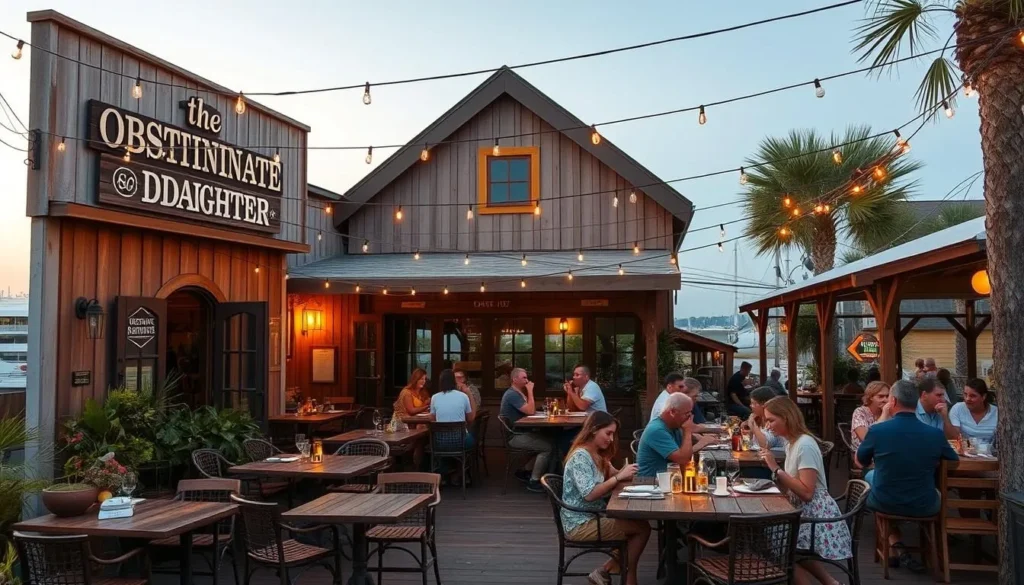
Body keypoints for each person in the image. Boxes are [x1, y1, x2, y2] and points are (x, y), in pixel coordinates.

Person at [857, 380, 959, 570]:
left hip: (885, 500)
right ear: (917, 401)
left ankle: (894, 545)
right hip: (925, 503)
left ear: (893, 401)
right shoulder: (934, 434)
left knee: (871, 478)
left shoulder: (878, 431)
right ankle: (920, 548)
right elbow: (954, 460)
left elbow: (860, 461)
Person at [760, 397, 851, 585]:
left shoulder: (805, 445)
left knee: (777, 545)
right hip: (801, 512)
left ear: (786, 417)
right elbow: (794, 484)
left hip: (816, 517)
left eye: (771, 420)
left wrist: (775, 469)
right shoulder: (791, 443)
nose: (768, 427)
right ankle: (831, 583)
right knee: (775, 541)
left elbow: (807, 493)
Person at [560, 411, 650, 585]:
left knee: (638, 525)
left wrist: (634, 473)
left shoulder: (597, 454)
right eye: (608, 433)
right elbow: (589, 494)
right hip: (579, 524)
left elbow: (616, 475)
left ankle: (607, 571)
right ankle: (617, 573)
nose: (610, 439)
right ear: (594, 430)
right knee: (641, 529)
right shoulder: (580, 457)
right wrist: (618, 477)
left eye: (613, 434)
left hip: (594, 516)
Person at [637, 393, 716, 478]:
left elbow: (687, 446)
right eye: (687, 414)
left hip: (670, 479)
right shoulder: (657, 430)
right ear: (672, 412)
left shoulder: (675, 425)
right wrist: (688, 432)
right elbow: (683, 459)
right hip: (652, 483)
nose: (689, 418)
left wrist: (697, 438)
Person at [499, 367, 553, 493]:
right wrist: (530, 391)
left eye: (526, 377)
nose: (527, 380)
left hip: (522, 432)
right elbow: (530, 411)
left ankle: (524, 471)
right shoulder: (512, 394)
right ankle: (534, 481)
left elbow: (530, 410)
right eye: (524, 377)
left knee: (550, 439)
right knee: (547, 447)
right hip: (515, 436)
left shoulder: (517, 392)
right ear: (514, 379)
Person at [430, 369, 476, 484]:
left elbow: (432, 419)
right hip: (460, 441)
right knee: (471, 439)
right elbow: (471, 418)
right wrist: (469, 393)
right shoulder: (463, 396)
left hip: (440, 442)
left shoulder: (435, 397)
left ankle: (443, 473)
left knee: (440, 442)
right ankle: (461, 473)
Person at [850, 381, 891, 461]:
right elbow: (866, 438)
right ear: (870, 397)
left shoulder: (891, 413)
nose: (885, 400)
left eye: (887, 396)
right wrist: (884, 415)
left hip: (885, 453)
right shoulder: (860, 412)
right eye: (881, 396)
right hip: (864, 456)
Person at [948, 378, 997, 443]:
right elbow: (954, 437)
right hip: (964, 451)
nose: (967, 399)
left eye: (973, 396)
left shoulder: (996, 413)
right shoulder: (957, 408)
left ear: (983, 397)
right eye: (965, 394)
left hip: (989, 451)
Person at [742, 387, 787, 451]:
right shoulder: (758, 418)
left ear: (764, 404)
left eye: (753, 403)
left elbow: (765, 445)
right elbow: (750, 443)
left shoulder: (774, 421)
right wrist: (749, 429)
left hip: (777, 459)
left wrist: (753, 426)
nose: (750, 405)